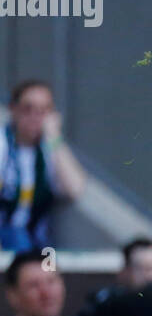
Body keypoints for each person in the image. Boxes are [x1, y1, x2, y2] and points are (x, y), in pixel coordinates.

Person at [0, 80, 87, 251]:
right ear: (13, 109)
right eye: (28, 109)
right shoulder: (3, 142)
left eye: (44, 110)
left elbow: (75, 189)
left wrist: (54, 137)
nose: (35, 117)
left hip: (39, 239)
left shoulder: (51, 148)